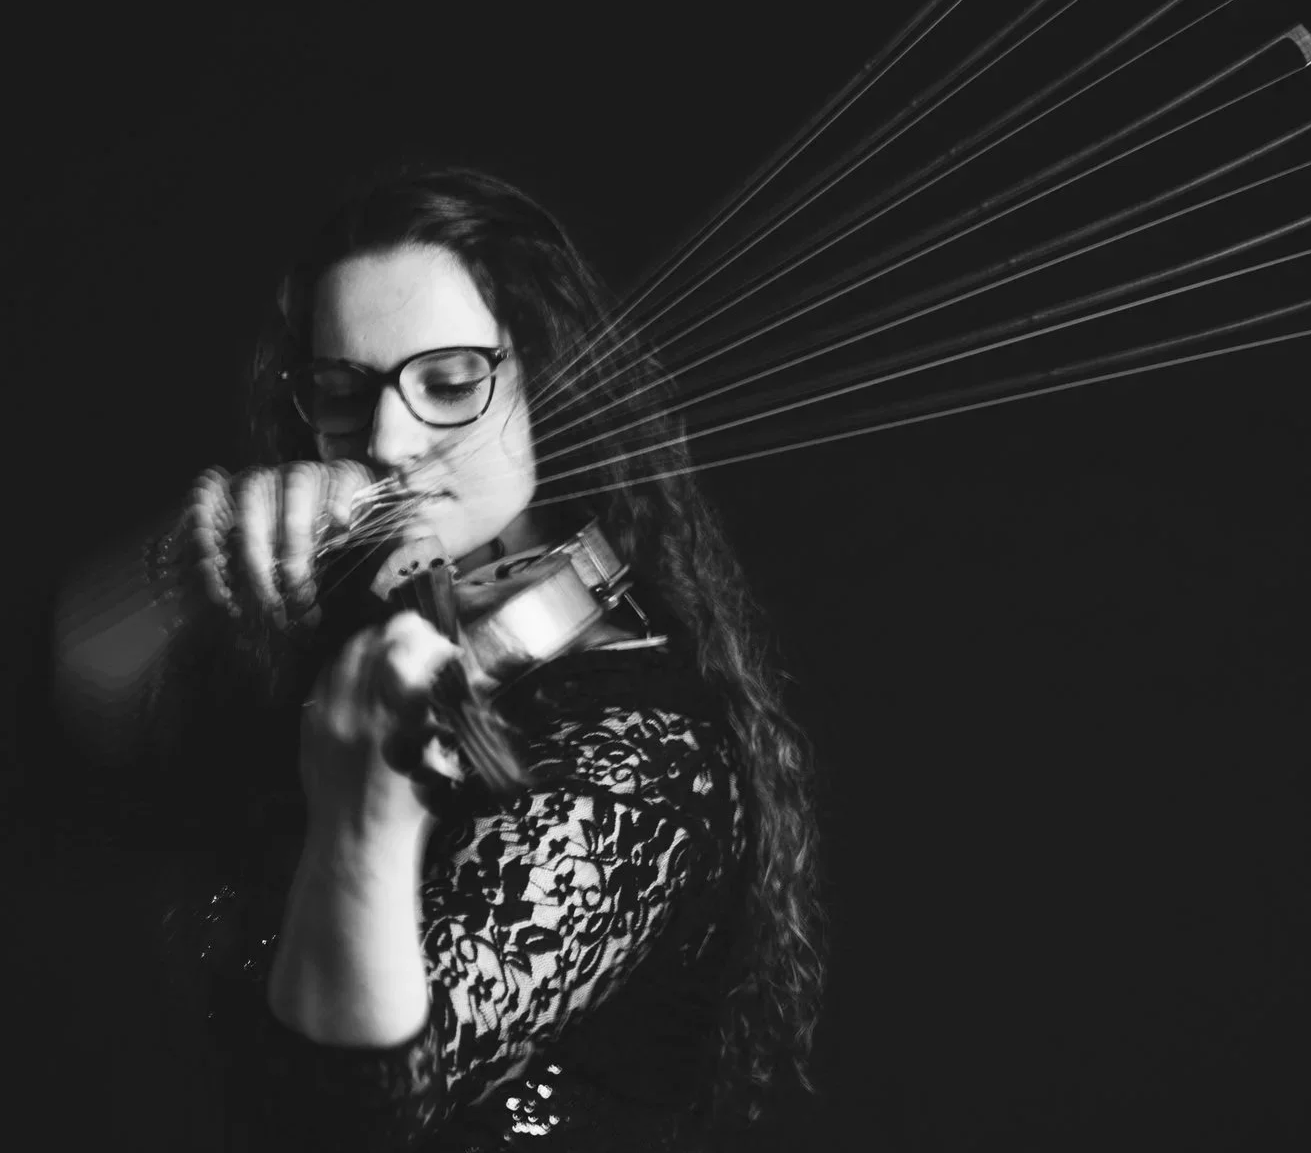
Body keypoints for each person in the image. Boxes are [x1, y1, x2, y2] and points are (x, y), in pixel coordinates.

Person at [51, 167, 827, 1150]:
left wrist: (359, 826)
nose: (387, 439)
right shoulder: (325, 637)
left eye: (451, 383)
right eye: (343, 393)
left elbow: (352, 1116)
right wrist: (189, 571)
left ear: (548, 380)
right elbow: (60, 734)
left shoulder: (646, 755)